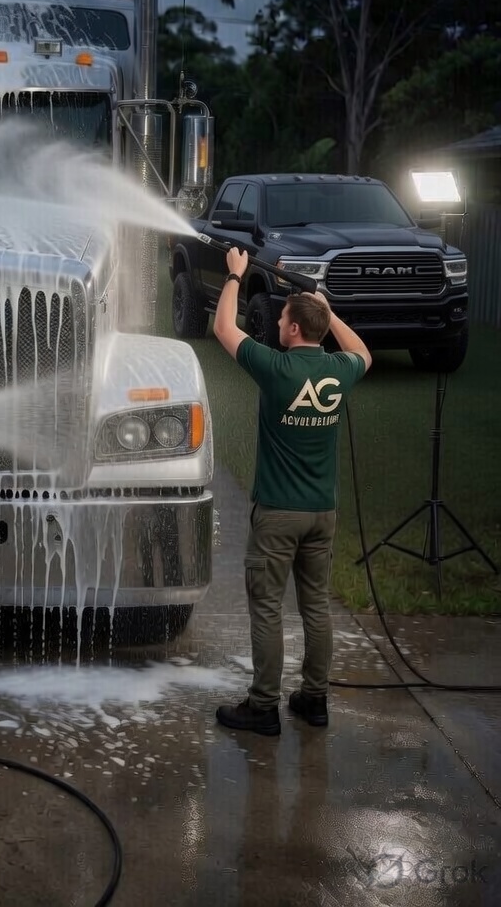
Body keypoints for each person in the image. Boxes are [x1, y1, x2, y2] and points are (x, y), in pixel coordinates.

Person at [213, 248, 371, 736]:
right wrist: (328, 310)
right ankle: (314, 700)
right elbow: (363, 353)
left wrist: (236, 276)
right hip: (322, 513)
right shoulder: (339, 371)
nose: (279, 323)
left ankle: (263, 707)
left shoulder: (278, 369)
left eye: (284, 317)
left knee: (267, 607)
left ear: (295, 330)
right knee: (316, 606)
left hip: (279, 514)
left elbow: (224, 329)